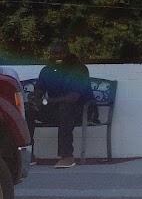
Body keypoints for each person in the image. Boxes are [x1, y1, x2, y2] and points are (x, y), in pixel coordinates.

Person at [26, 40, 92, 168]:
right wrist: (35, 98)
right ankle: (28, 155)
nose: (57, 56)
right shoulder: (47, 70)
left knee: (65, 108)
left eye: (60, 53)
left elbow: (73, 97)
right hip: (56, 110)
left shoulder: (79, 69)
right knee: (28, 109)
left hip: (81, 111)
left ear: (67, 53)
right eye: (54, 53)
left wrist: (47, 101)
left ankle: (67, 157)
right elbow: (39, 90)